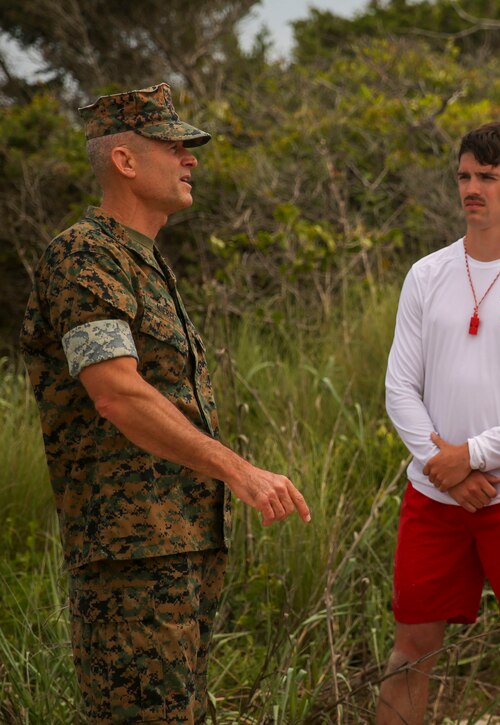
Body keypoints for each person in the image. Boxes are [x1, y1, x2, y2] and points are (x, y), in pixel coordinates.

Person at [20, 83, 311, 723]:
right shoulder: (84, 255)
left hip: (178, 547)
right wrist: (239, 470)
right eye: (173, 144)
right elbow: (116, 393)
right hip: (129, 553)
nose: (191, 158)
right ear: (125, 160)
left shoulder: (143, 261)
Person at [380, 119, 500, 725]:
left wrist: (474, 456)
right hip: (433, 492)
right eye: (465, 176)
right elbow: (399, 388)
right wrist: (445, 467)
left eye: (487, 177)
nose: (472, 188)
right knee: (412, 647)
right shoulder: (427, 274)